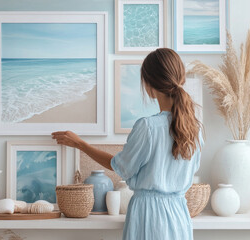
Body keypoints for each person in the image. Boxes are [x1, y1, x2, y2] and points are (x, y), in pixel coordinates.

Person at [52, 48, 203, 240]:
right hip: (180, 216)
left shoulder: (148, 127)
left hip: (149, 216)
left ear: (149, 86)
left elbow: (120, 166)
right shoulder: (195, 130)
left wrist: (81, 144)